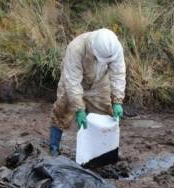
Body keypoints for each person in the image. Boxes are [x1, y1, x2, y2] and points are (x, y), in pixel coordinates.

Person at [49, 28, 126, 156]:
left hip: (99, 82)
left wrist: (118, 100)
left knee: (104, 115)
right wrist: (79, 109)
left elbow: (118, 73)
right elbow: (72, 83)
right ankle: (54, 147)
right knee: (61, 111)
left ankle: (100, 152)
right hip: (73, 81)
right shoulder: (76, 48)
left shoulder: (114, 48)